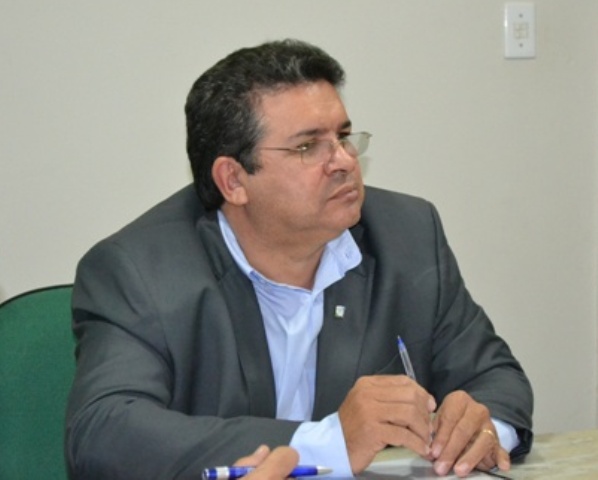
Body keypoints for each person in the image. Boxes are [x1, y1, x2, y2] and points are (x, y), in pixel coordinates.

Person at [65, 39, 533, 480]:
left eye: (343, 136)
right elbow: (103, 432)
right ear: (233, 181)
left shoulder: (407, 234)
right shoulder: (138, 271)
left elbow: (494, 376)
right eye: (309, 147)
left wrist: (482, 429)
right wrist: (328, 444)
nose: (344, 160)